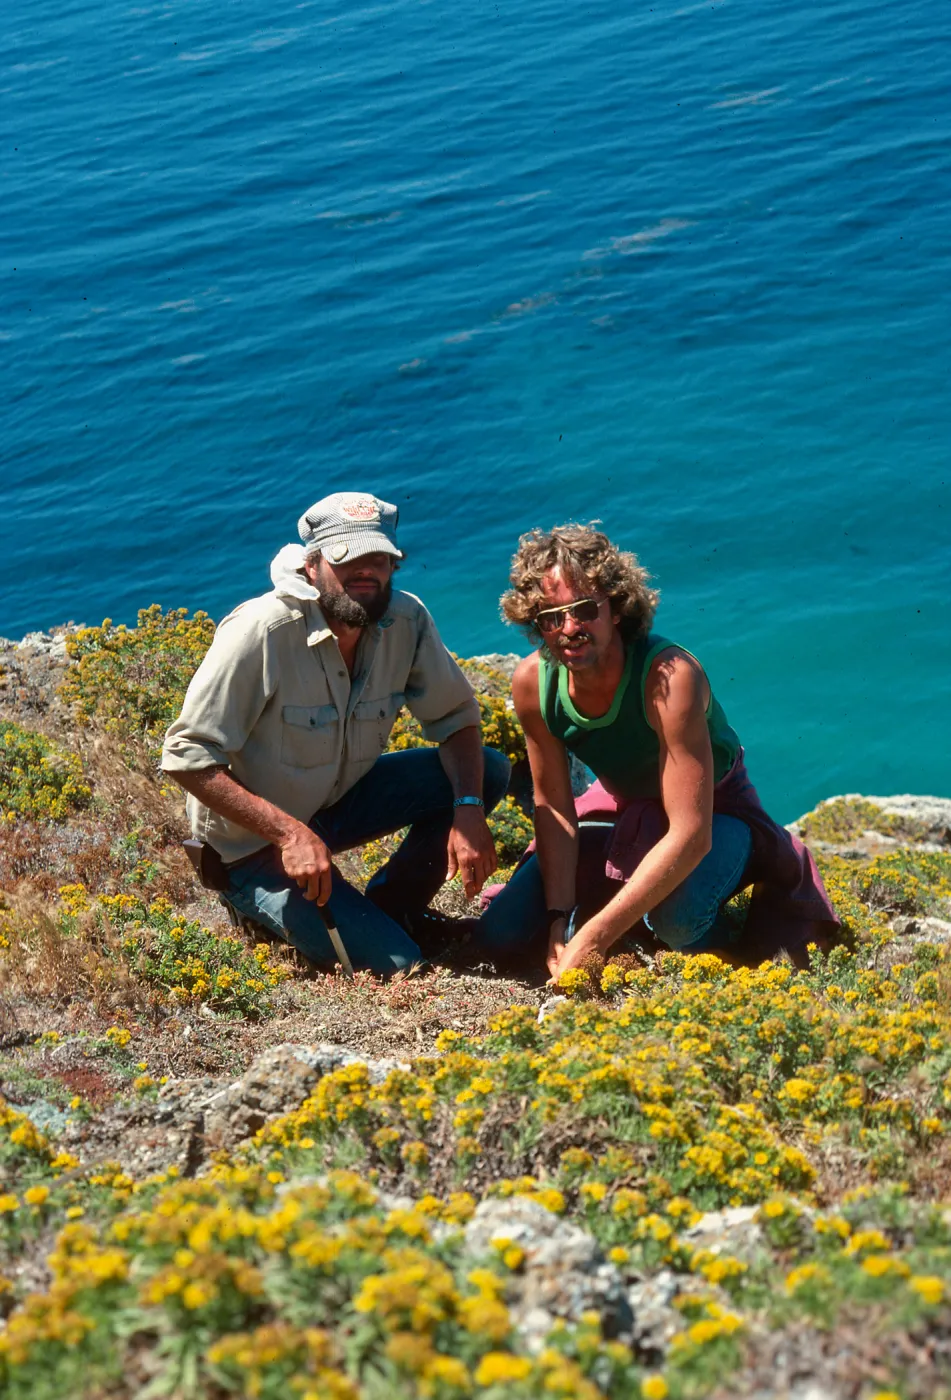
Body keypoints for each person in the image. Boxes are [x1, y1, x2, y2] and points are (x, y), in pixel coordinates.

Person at [162, 491, 509, 974]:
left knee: (488, 771)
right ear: (311, 565)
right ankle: (254, 907)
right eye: (347, 558)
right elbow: (186, 755)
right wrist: (289, 835)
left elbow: (456, 721)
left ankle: (395, 906)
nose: (366, 572)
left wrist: (468, 809)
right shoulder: (264, 631)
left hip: (335, 806)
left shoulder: (405, 620)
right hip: (252, 846)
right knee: (400, 965)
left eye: (379, 558)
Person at [473, 524, 839, 977]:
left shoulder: (668, 676)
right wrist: (556, 922)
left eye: (585, 609)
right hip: (624, 812)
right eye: (551, 616)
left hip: (717, 816)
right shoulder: (534, 683)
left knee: (677, 921)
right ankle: (630, 912)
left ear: (617, 608)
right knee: (500, 934)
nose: (569, 628)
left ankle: (728, 959)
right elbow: (555, 808)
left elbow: (691, 831)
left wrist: (593, 937)